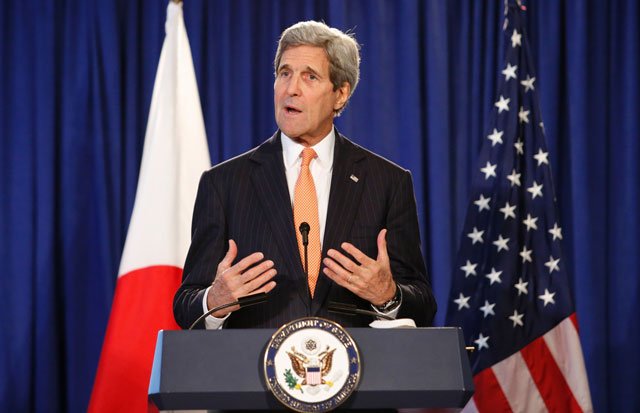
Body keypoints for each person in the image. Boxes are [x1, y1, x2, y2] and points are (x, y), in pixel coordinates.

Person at [173, 21, 436, 329]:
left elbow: (422, 304)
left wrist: (388, 296)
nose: (291, 89)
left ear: (340, 94)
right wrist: (214, 301)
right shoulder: (224, 184)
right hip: (256, 371)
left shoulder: (388, 183)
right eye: (284, 74)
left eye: (309, 77)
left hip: (359, 370)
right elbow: (186, 305)